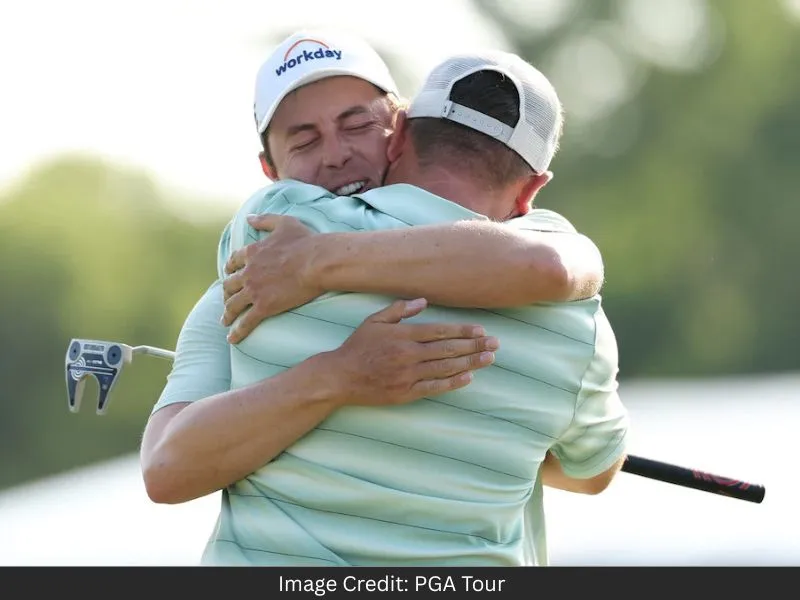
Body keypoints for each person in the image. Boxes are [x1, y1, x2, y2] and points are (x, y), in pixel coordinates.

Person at [141, 29, 605, 511]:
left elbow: (548, 265)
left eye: (356, 125)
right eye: (304, 141)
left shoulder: (282, 266)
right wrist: (337, 377)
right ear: (271, 172)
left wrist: (313, 262)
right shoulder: (254, 277)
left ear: (398, 129)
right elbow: (166, 472)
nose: (336, 153)